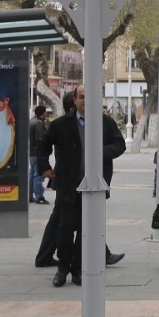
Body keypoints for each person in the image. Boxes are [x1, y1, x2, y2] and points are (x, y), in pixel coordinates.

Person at [37, 85, 126, 287]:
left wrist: (100, 152)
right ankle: (62, 269)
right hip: (68, 186)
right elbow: (43, 143)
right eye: (82, 97)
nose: (86, 100)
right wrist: (44, 167)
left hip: (94, 187)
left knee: (87, 230)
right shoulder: (61, 124)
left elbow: (120, 145)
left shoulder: (105, 123)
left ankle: (78, 269)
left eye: (90, 96)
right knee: (66, 228)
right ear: (75, 100)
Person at [28, 105, 49, 204]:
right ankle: (39, 196)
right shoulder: (39, 124)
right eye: (45, 112)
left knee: (32, 174)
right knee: (38, 175)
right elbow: (41, 140)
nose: (46, 114)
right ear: (42, 113)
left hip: (31, 152)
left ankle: (29, 195)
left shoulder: (32, 121)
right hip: (38, 153)